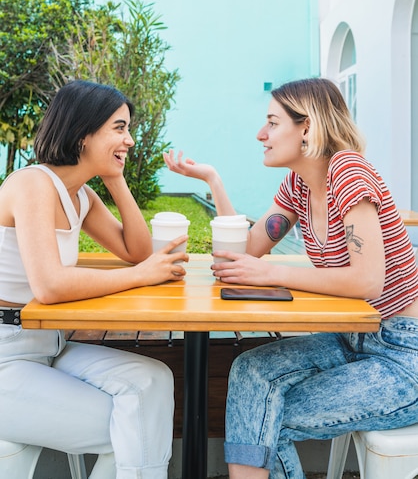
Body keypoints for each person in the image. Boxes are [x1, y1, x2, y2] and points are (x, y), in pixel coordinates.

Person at [163, 77, 418, 479]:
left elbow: (369, 282)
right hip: (349, 339)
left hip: (402, 353)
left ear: (308, 127)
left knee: (266, 416)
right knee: (250, 371)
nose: (261, 135)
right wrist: (213, 181)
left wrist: (274, 272)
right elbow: (244, 252)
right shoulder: (299, 184)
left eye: (272, 123)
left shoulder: (347, 173)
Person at [0, 80, 189, 479]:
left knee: (153, 380)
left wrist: (115, 176)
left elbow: (136, 251)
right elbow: (49, 286)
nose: (131, 139)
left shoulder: (79, 195)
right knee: (136, 429)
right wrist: (140, 277)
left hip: (48, 346)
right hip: (7, 356)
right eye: (119, 128)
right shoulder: (32, 183)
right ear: (83, 133)